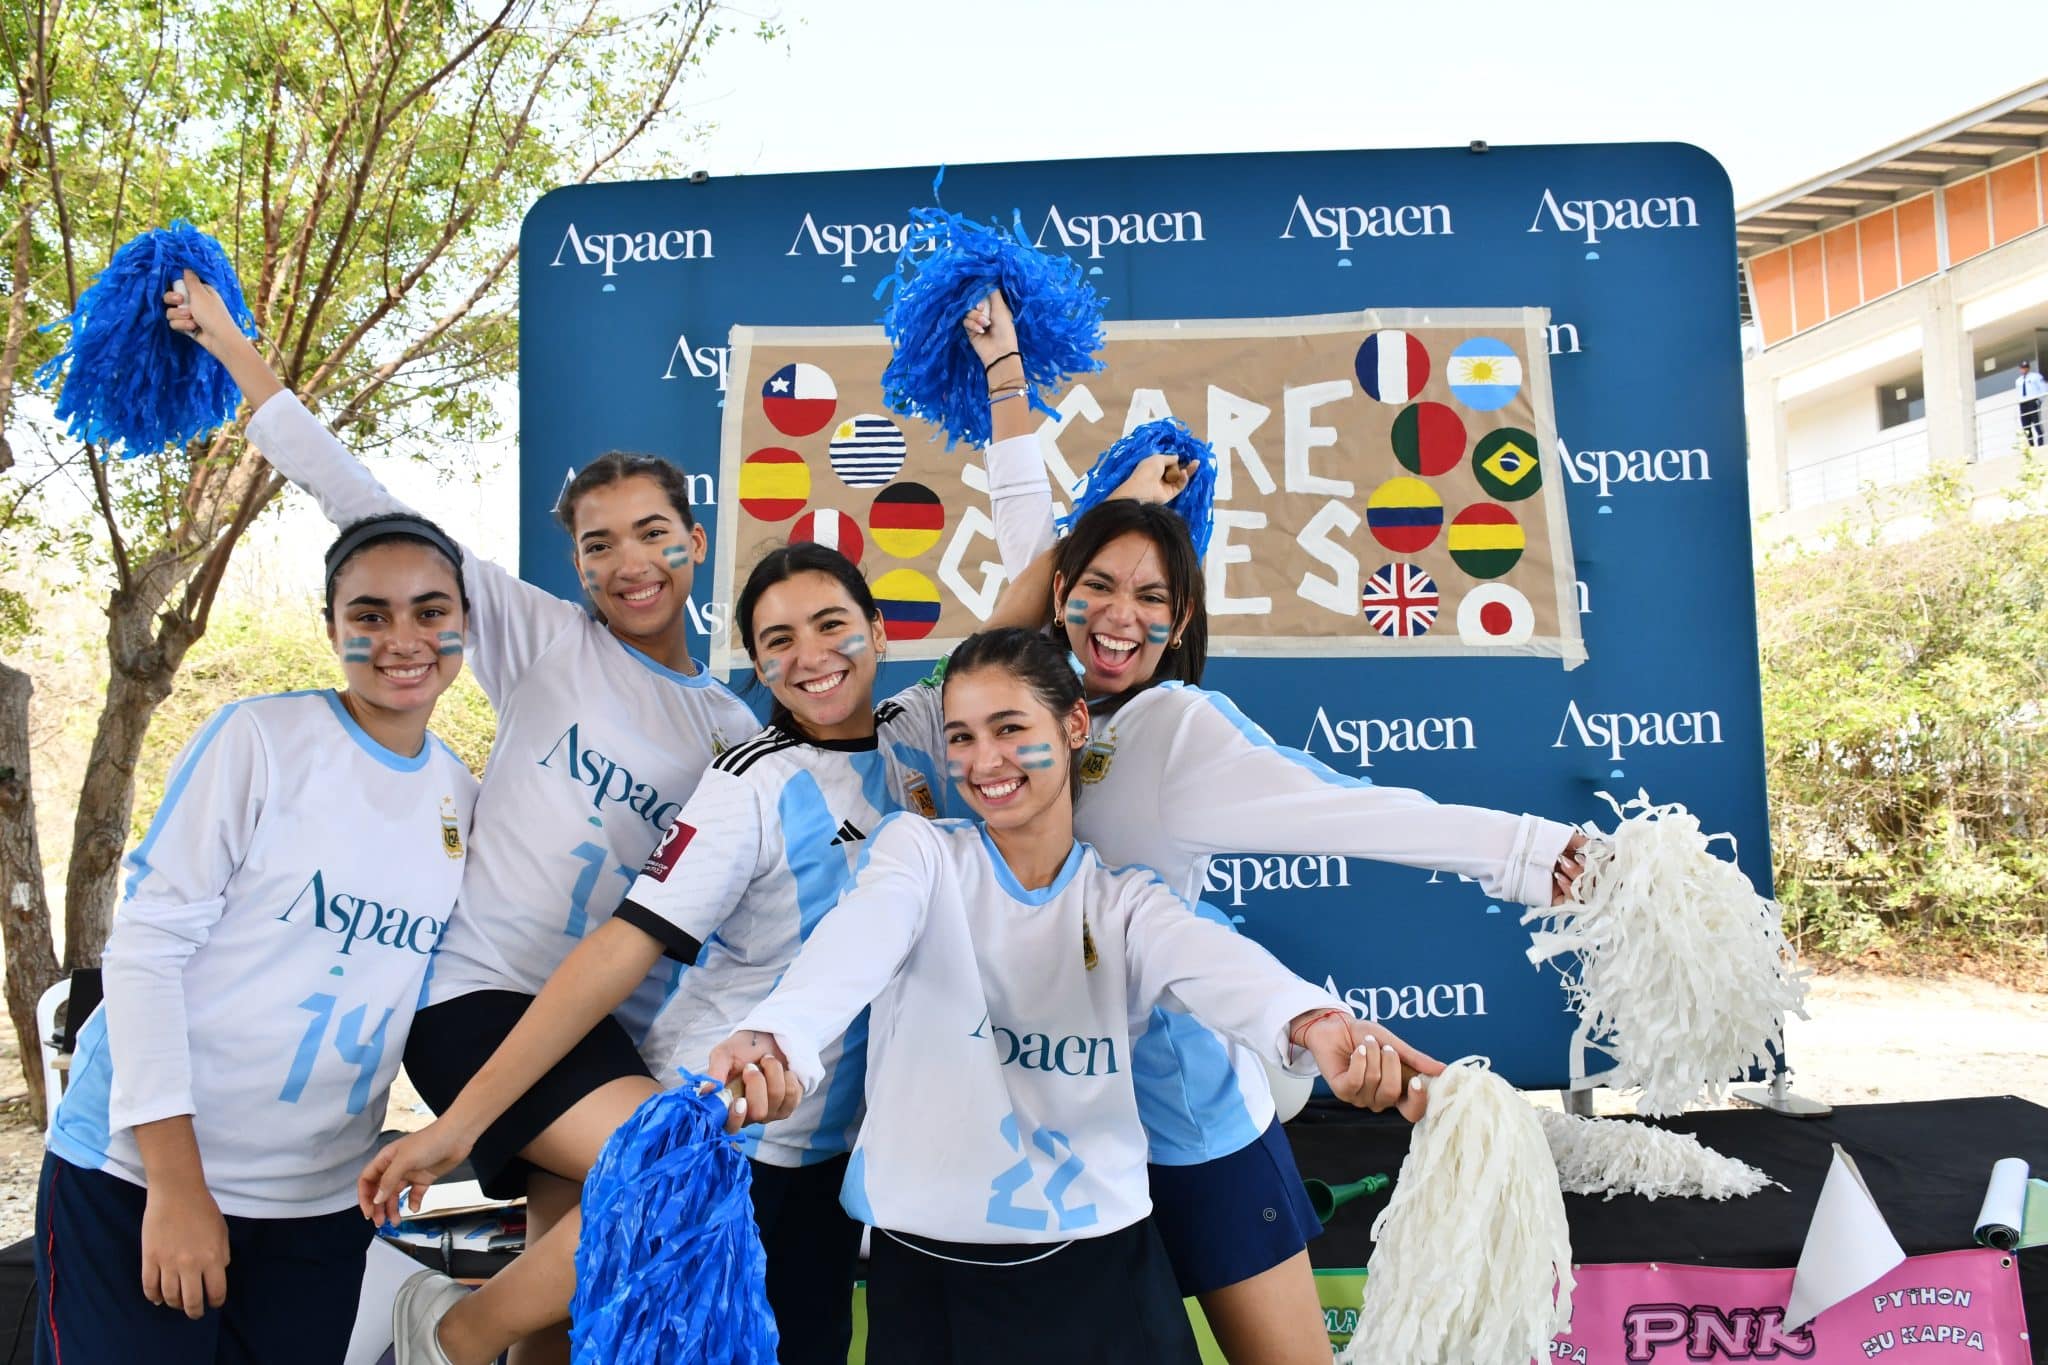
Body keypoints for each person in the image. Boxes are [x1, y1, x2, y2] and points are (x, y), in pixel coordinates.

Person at [167, 274, 761, 1364]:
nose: (627, 562)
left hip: (592, 1035)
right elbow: (358, 498)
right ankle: (441, 1330)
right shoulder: (543, 637)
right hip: (474, 1005)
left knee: (567, 1319)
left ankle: (481, 1337)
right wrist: (232, 348)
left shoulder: (732, 728)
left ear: (693, 536)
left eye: (651, 533)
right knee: (672, 1169)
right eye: (597, 544)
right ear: (574, 564)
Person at [706, 627, 1442, 1364]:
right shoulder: (919, 853)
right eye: (961, 736)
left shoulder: (1125, 902)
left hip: (1103, 1273)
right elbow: (856, 941)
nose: (983, 761)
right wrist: (782, 1034)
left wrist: (1314, 1023)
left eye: (1010, 728)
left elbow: (1215, 964)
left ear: (1075, 724)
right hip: (926, 1283)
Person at [987, 487, 1585, 1362]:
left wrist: (1529, 852)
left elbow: (1342, 808)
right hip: (1061, 1135)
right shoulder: (1012, 722)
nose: (1120, 616)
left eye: (1152, 597)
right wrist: (1018, 400)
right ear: (1058, 591)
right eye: (1099, 586)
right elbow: (1023, 529)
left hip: (1189, 1126)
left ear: (1179, 620)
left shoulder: (1175, 727)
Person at [35, 513, 479, 1365]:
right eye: (370, 614)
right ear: (332, 628)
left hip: (317, 1206)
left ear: (465, 624)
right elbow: (146, 949)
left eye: (431, 611)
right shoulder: (261, 741)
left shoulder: (460, 797)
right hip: (142, 1179)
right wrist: (176, 1185)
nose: (403, 639)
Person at [2016, 358, 2045, 447]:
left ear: (2028, 368)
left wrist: (2039, 401)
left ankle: (2041, 444)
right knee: (2026, 426)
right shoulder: (2018, 380)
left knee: (2036, 423)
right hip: (2023, 404)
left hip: (2033, 402)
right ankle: (2031, 445)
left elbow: (2043, 389)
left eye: (2026, 367)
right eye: (2022, 367)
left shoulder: (2036, 376)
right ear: (2020, 369)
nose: (2024, 369)